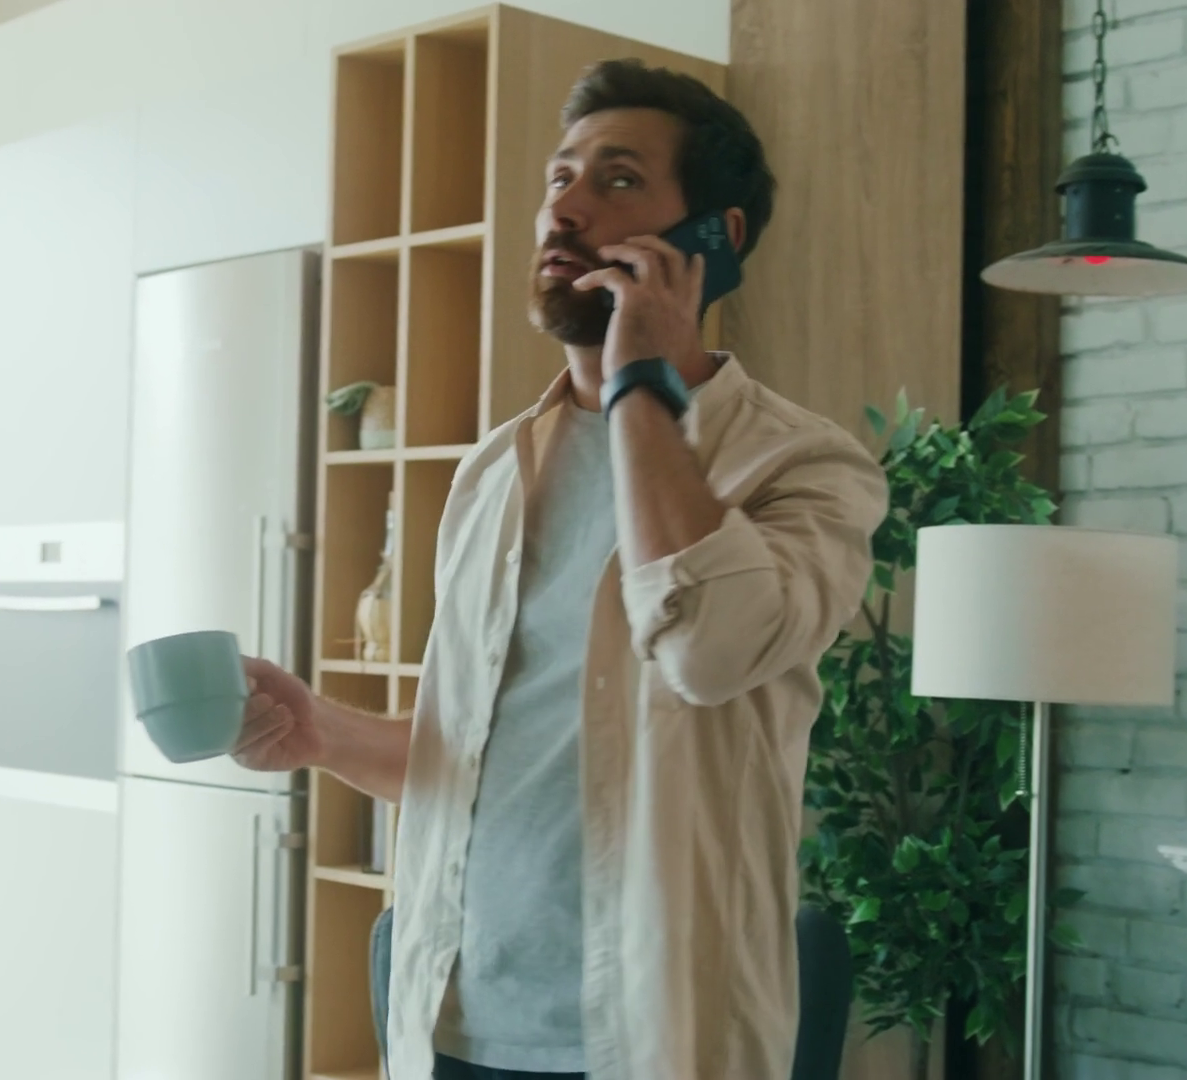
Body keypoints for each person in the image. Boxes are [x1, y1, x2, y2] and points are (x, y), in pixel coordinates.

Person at [235, 59, 887, 1080]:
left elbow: (709, 651)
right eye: (558, 177)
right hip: (452, 1027)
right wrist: (323, 731)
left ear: (715, 238)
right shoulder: (495, 469)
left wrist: (641, 383)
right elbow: (472, 761)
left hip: (654, 1041)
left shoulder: (805, 468)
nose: (565, 208)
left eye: (618, 180)